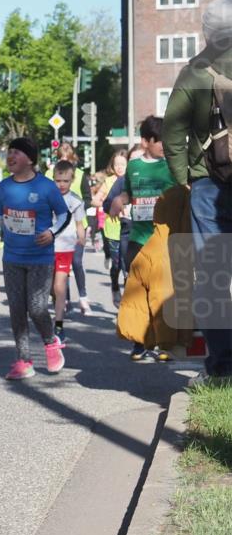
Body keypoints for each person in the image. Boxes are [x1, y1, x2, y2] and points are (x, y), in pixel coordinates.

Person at [162, 0, 232, 380]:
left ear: (206, 32)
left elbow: (173, 131)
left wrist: (183, 178)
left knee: (213, 276)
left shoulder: (194, 72)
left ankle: (223, 367)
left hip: (209, 183)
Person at [0, 137, 70, 380]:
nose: (11, 156)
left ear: (30, 159)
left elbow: (64, 215)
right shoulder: (4, 187)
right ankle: (24, 360)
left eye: (16, 152)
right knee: (17, 309)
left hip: (40, 257)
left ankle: (51, 342)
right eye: (9, 152)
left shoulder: (46, 187)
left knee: (37, 307)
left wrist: (52, 233)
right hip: (12, 258)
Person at [109, 116, 176, 362]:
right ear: (146, 141)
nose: (164, 146)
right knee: (138, 292)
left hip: (163, 239)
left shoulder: (172, 166)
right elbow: (128, 192)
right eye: (160, 141)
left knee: (162, 292)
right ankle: (140, 342)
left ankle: (164, 342)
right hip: (137, 238)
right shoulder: (134, 166)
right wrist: (119, 199)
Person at [50, 161, 88, 342]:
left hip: (65, 247)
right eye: (58, 180)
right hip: (47, 247)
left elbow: (79, 223)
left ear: (72, 180)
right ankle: (55, 300)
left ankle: (59, 325)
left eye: (65, 181)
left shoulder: (76, 201)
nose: (61, 184)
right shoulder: (47, 198)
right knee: (50, 287)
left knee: (60, 286)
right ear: (53, 179)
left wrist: (81, 238)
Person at [100, 150, 130, 308]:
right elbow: (98, 200)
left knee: (127, 266)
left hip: (129, 228)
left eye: (122, 164)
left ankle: (128, 302)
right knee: (117, 264)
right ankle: (114, 286)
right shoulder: (109, 181)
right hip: (112, 229)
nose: (119, 167)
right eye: (116, 164)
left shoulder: (133, 179)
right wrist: (110, 204)